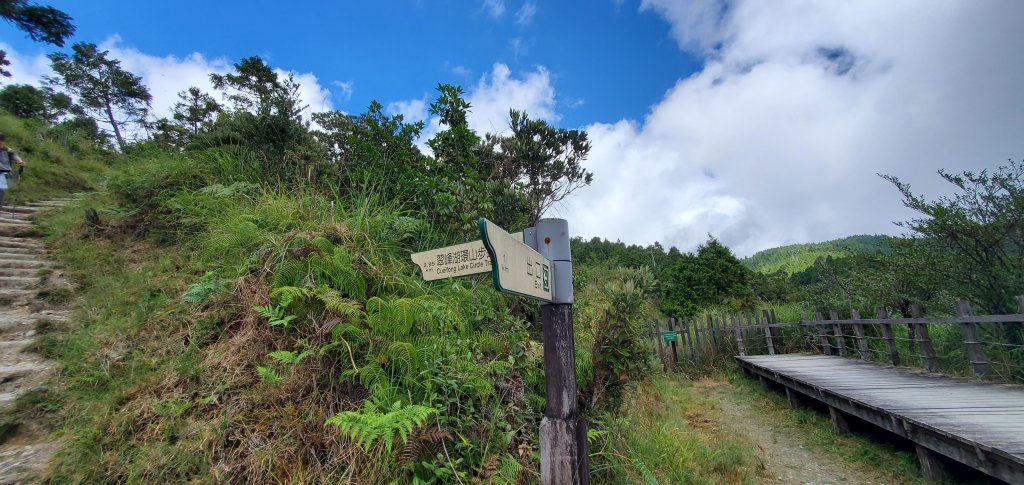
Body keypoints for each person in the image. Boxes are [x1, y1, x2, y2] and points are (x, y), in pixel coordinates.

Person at [0, 133, 26, 212]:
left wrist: (20, 161)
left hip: (4, 173)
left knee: (1, 189)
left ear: (4, 142)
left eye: (1, 141)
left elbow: (15, 156)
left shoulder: (8, 150)